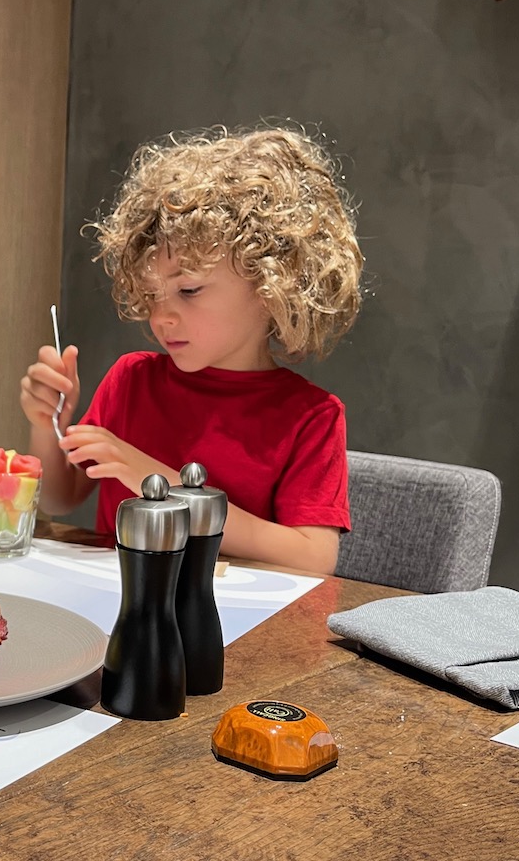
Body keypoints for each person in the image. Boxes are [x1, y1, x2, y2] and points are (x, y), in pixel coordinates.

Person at [19, 125, 363, 575]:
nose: (161, 316)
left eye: (189, 289)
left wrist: (158, 485)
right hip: (120, 608)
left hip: (235, 629)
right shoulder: (133, 379)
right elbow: (61, 499)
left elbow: (314, 559)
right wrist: (49, 425)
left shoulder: (311, 417)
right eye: (152, 293)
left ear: (270, 283)